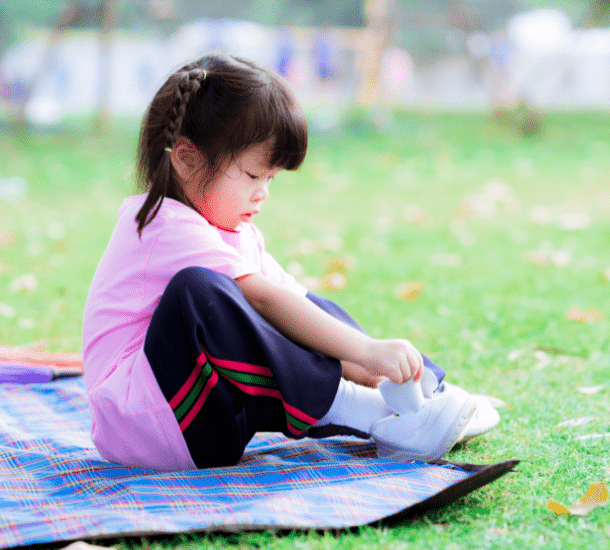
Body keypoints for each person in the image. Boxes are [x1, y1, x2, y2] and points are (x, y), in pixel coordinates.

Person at [82, 53, 495, 472]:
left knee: (304, 308)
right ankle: (369, 413)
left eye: (271, 178)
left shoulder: (235, 232)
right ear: (187, 158)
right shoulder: (163, 224)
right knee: (201, 293)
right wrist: (368, 352)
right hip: (146, 427)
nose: (263, 192)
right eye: (252, 175)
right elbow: (265, 300)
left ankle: (417, 398)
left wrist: (374, 367)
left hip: (209, 426)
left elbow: (293, 305)